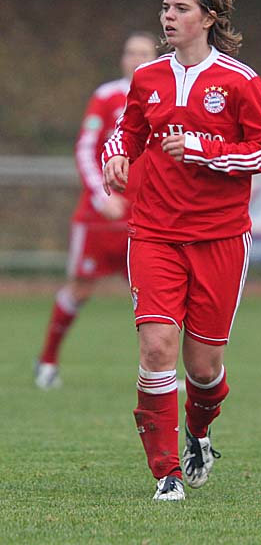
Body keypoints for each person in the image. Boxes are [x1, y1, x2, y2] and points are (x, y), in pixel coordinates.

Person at [102, 0, 261, 501]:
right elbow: (128, 132)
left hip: (220, 238)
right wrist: (117, 156)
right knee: (157, 346)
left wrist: (206, 151)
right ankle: (166, 474)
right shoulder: (148, 77)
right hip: (154, 232)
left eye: (180, 8)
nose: (168, 16)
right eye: (165, 7)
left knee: (203, 368)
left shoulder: (240, 81)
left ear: (209, 18)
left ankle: (199, 432)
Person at [35, 32, 158, 390]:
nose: (135, 58)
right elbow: (85, 148)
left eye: (143, 53)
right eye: (130, 52)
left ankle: (159, 372)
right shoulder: (106, 96)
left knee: (153, 297)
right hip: (102, 218)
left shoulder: (166, 95)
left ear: (156, 58)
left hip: (146, 217)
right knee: (80, 289)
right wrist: (101, 196)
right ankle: (47, 362)